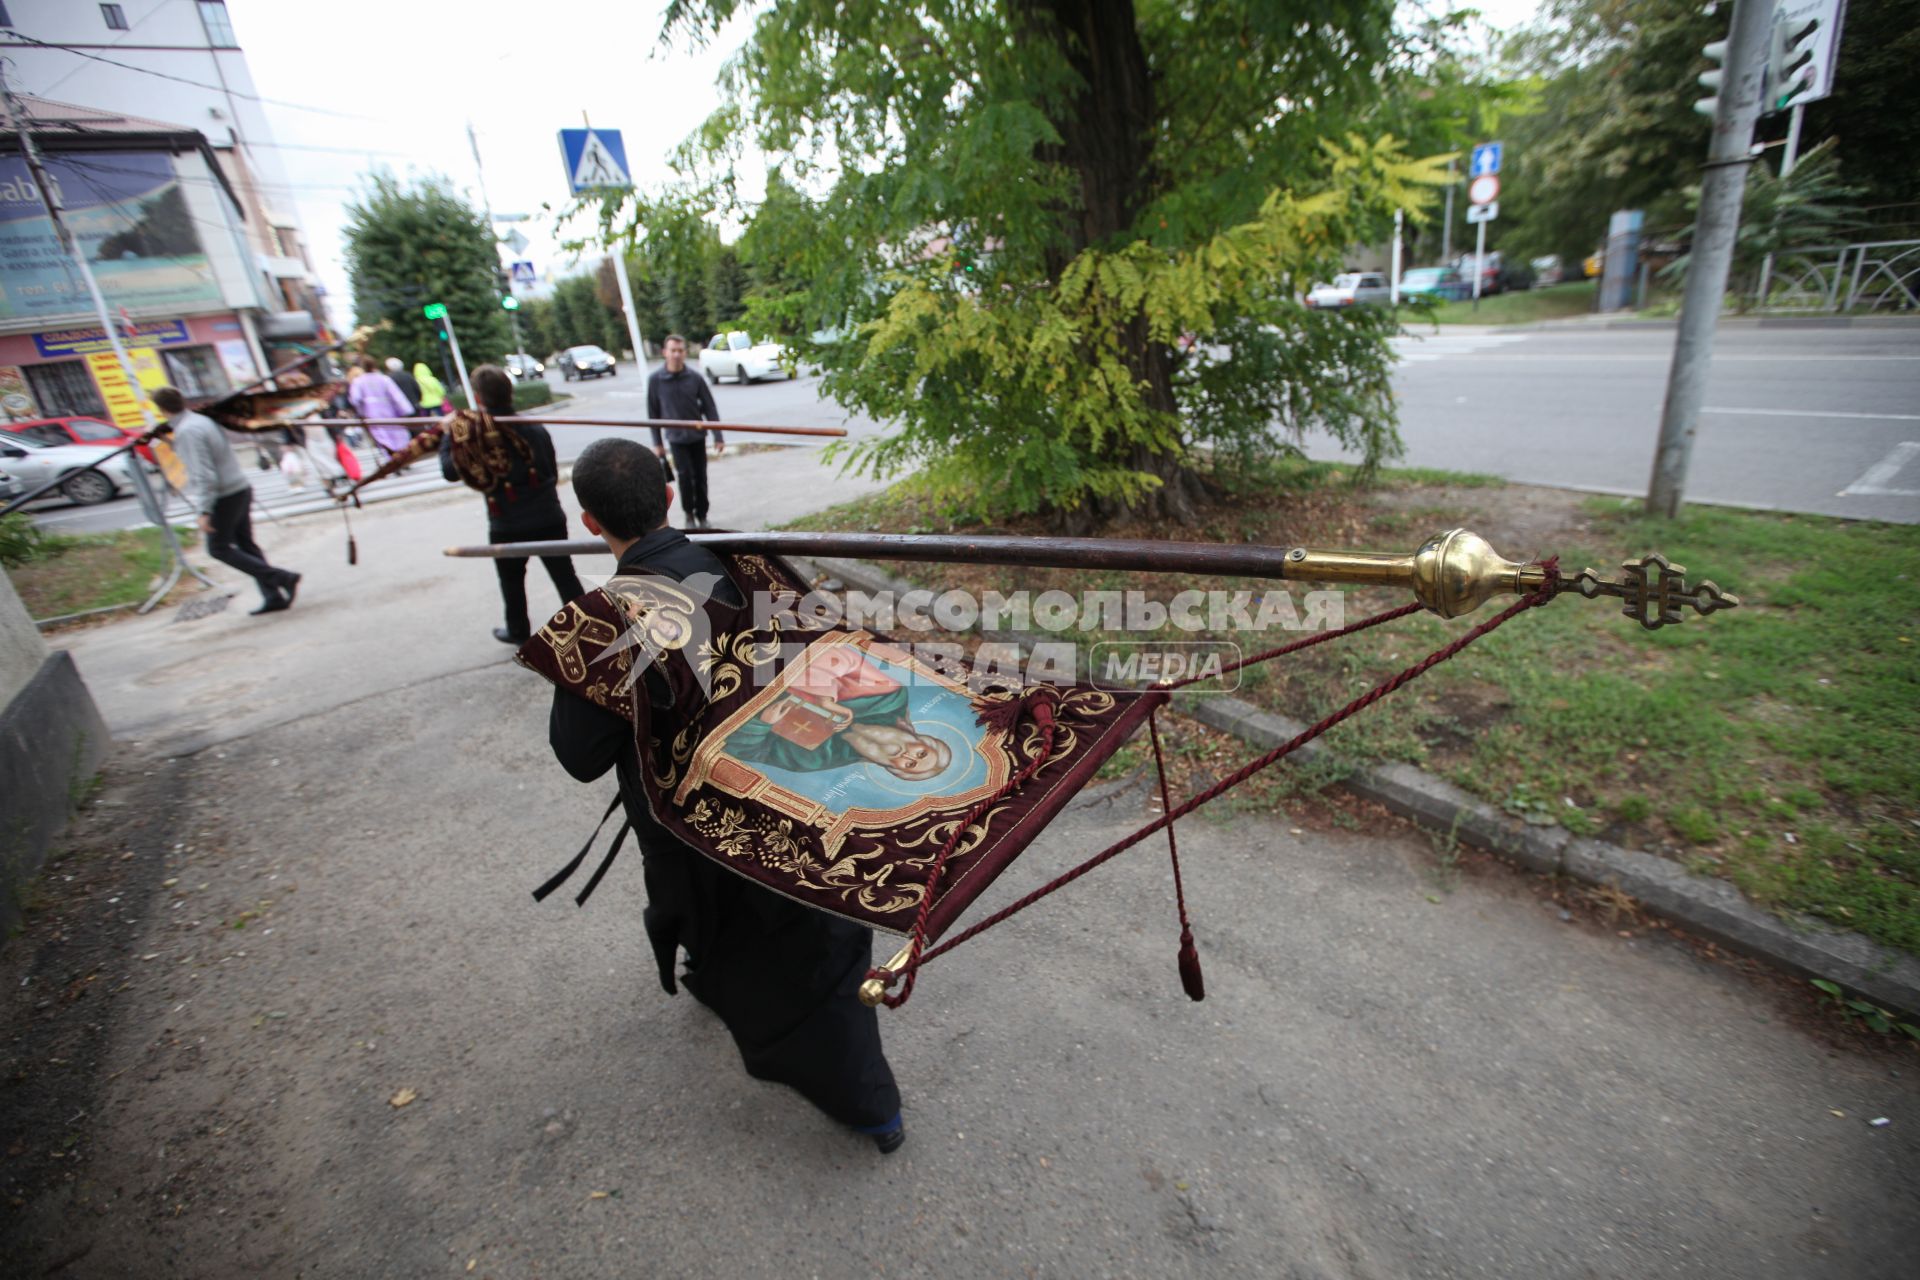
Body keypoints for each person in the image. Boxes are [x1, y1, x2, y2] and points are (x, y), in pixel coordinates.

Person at [545, 436, 905, 1152]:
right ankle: (719, 985)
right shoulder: (746, 565)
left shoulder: (605, 617)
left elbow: (579, 757)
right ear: (670, 495)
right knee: (778, 932)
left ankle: (870, 1105)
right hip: (786, 792)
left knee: (795, 946)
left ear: (589, 523)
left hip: (701, 818)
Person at [452, 364, 583, 644]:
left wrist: (448, 437)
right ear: (510, 393)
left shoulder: (476, 437)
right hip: (546, 514)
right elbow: (549, 468)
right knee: (564, 575)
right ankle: (586, 626)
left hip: (507, 521)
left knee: (512, 581)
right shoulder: (534, 428)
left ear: (478, 398)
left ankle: (518, 630)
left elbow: (451, 470)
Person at [152, 386, 300, 615]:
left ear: (161, 409)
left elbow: (203, 474)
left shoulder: (188, 431)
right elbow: (200, 454)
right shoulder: (200, 421)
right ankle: (273, 595)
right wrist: (169, 441)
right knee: (246, 545)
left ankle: (281, 577)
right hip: (238, 487)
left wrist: (203, 511)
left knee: (218, 548)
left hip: (224, 495)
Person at [646, 334, 725, 528]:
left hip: (697, 436)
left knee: (700, 477)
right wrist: (657, 443)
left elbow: (709, 407)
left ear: (685, 352)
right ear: (665, 353)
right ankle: (689, 514)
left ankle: (702, 515)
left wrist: (718, 435)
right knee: (684, 478)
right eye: (673, 350)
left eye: (680, 351)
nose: (676, 355)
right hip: (676, 439)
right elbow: (653, 412)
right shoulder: (656, 380)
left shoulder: (695, 378)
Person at [346, 356, 414, 455]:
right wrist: (405, 410)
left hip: (372, 413)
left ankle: (391, 456)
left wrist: (361, 410)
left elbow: (355, 399)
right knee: (397, 433)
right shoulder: (384, 379)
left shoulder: (359, 381)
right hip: (390, 411)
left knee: (381, 436)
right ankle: (401, 454)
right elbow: (396, 395)